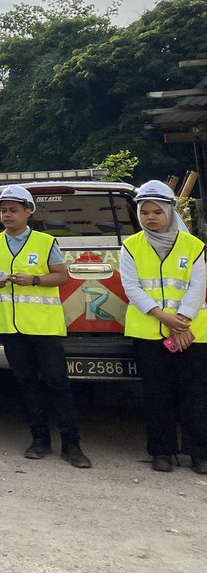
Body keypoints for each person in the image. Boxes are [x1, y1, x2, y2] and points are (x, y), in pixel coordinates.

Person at [0, 185, 92, 468]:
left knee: (57, 384)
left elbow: (61, 277)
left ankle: (71, 444)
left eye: (13, 210)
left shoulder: (45, 242)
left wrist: (35, 280)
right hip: (12, 328)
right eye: (3, 211)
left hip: (44, 327)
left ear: (28, 212)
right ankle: (39, 439)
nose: (7, 215)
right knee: (26, 385)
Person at [119, 180, 207, 474]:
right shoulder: (131, 246)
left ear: (170, 211)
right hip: (148, 331)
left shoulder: (194, 246)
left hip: (193, 332)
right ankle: (162, 452)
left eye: (157, 211)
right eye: (145, 212)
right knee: (157, 394)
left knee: (195, 394)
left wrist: (181, 322)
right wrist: (164, 317)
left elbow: (197, 287)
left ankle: (200, 454)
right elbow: (132, 287)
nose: (151, 218)